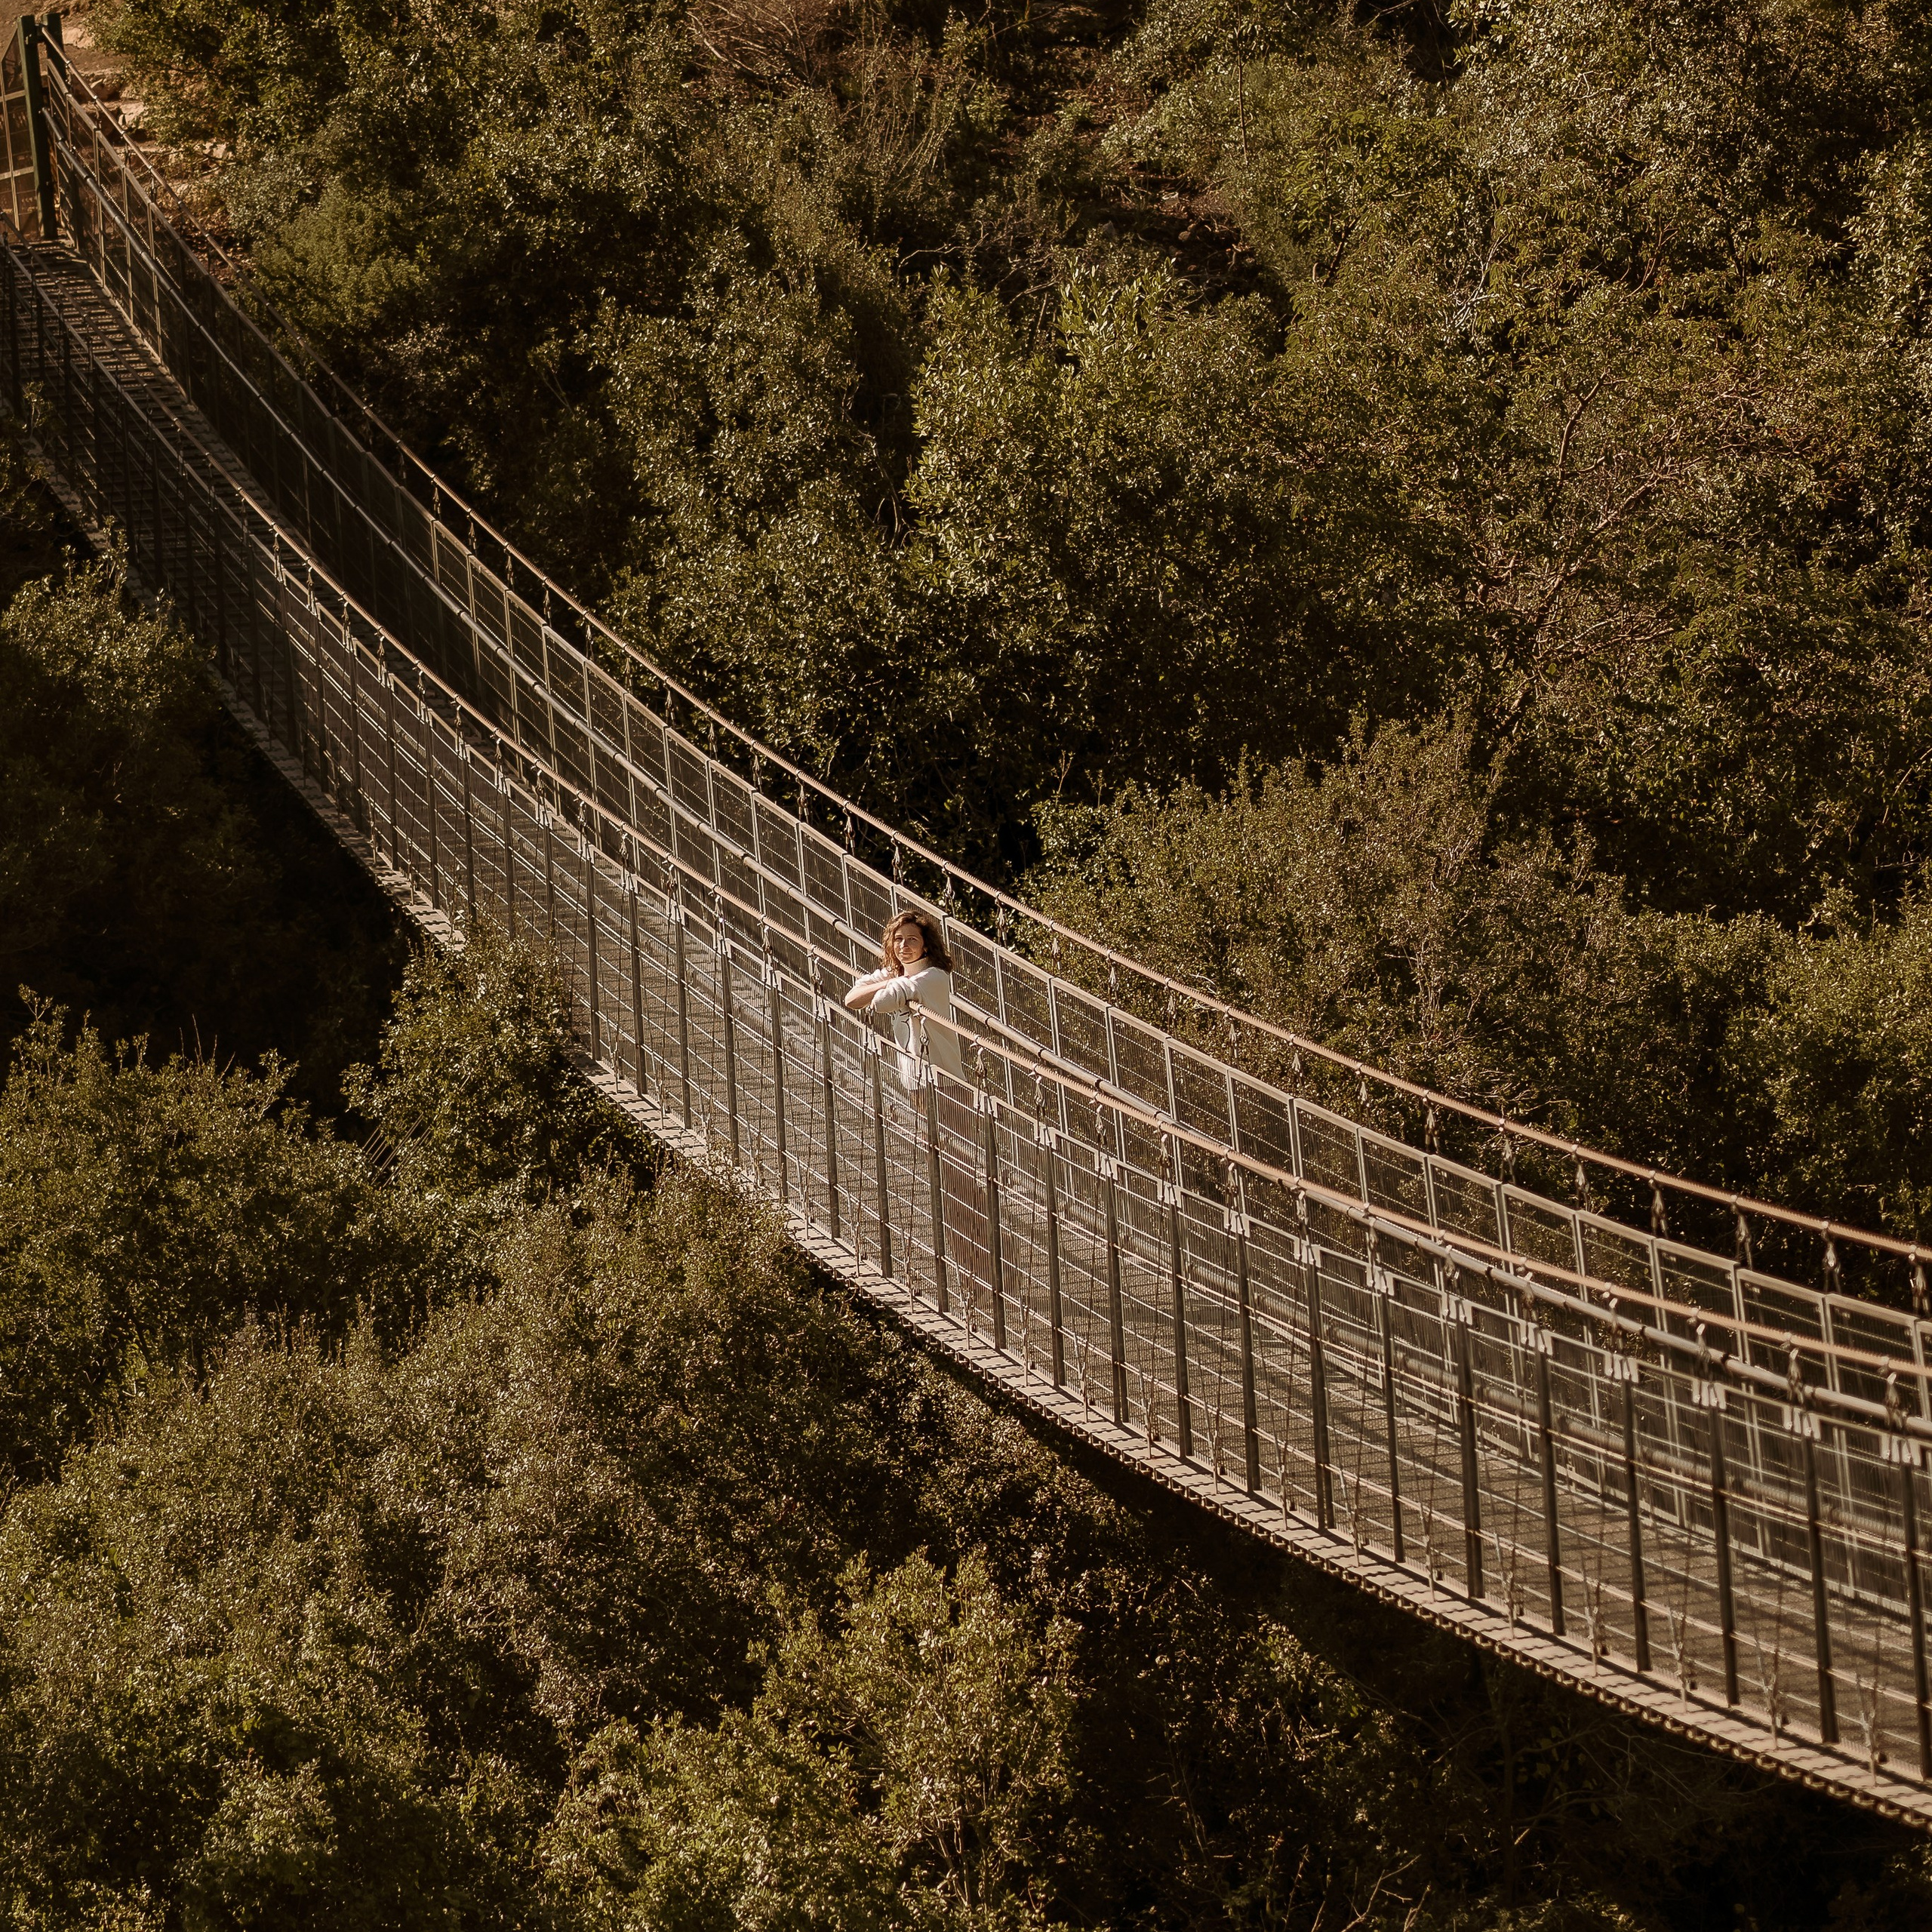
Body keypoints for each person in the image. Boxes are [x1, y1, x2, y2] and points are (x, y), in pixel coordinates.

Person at [845, 909, 964, 1091]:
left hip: (943, 1078)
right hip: (913, 1077)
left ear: (926, 946)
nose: (904, 946)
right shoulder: (897, 974)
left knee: (953, 1121)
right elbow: (851, 1000)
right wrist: (894, 980)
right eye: (898, 939)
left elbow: (881, 1003)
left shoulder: (933, 976)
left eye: (912, 939)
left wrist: (891, 983)